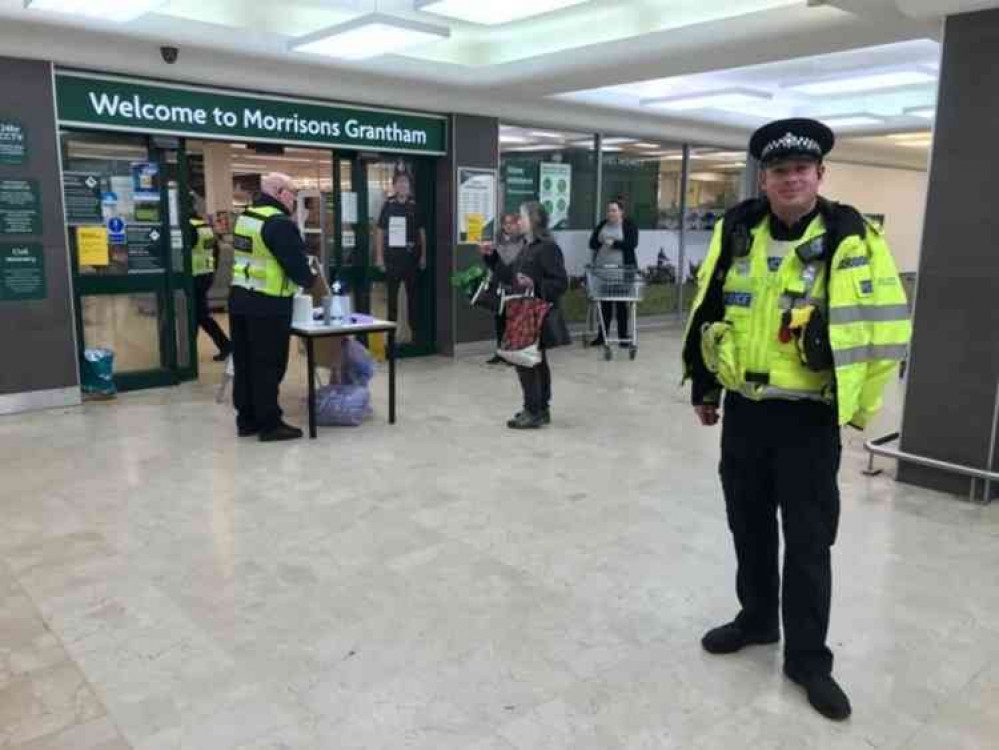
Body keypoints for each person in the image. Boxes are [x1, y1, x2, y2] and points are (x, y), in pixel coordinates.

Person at [682, 119, 911, 721]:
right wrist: (704, 385)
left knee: (809, 542)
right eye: (779, 171)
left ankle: (809, 659)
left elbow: (886, 327)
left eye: (801, 170)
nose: (790, 180)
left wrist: (859, 407)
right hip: (746, 413)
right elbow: (708, 304)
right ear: (765, 177)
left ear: (819, 175)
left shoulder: (851, 237)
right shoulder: (737, 229)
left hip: (810, 419)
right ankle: (757, 619)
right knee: (748, 525)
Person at [229, 172, 317, 442]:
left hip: (240, 300)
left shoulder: (247, 218)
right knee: (268, 365)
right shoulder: (279, 223)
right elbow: (298, 269)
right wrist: (311, 279)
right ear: (280, 193)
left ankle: (247, 420)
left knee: (245, 363)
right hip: (269, 304)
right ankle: (270, 424)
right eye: (292, 192)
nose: (294, 198)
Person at [482, 202, 570, 429]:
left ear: (534, 220)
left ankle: (535, 410)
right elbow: (509, 275)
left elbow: (561, 282)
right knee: (533, 361)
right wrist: (491, 258)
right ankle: (538, 409)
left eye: (521, 217)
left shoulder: (548, 248)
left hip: (538, 314)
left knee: (528, 362)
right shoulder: (527, 247)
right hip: (523, 313)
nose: (518, 222)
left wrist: (536, 283)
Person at [374, 172, 426, 344]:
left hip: (411, 260)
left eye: (406, 183)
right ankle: (391, 338)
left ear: (409, 187)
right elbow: (380, 232)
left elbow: (422, 233)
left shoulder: (415, 206)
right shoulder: (388, 206)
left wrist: (423, 256)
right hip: (393, 260)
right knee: (392, 302)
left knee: (414, 301)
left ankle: (416, 337)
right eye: (399, 183)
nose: (403, 186)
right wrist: (380, 258)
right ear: (394, 186)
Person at [588, 199, 639, 347]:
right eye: (609, 210)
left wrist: (614, 243)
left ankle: (623, 337)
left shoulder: (629, 225)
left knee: (621, 305)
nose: (610, 213)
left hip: (622, 272)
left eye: (614, 210)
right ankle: (602, 336)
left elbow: (632, 243)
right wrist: (601, 240)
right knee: (604, 305)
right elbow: (592, 243)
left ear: (621, 212)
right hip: (603, 272)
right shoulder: (602, 225)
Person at [189, 193, 231, 362]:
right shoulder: (204, 226)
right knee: (199, 315)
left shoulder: (188, 228)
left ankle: (189, 353)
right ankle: (225, 346)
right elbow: (216, 252)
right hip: (205, 275)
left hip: (193, 277)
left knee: (196, 315)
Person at [485, 212, 526, 365]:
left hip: (515, 285)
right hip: (499, 284)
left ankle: (512, 354)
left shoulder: (523, 242)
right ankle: (500, 352)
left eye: (511, 223)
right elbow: (492, 264)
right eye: (505, 223)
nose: (508, 226)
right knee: (499, 319)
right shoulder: (497, 241)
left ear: (517, 224)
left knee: (513, 320)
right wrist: (487, 257)